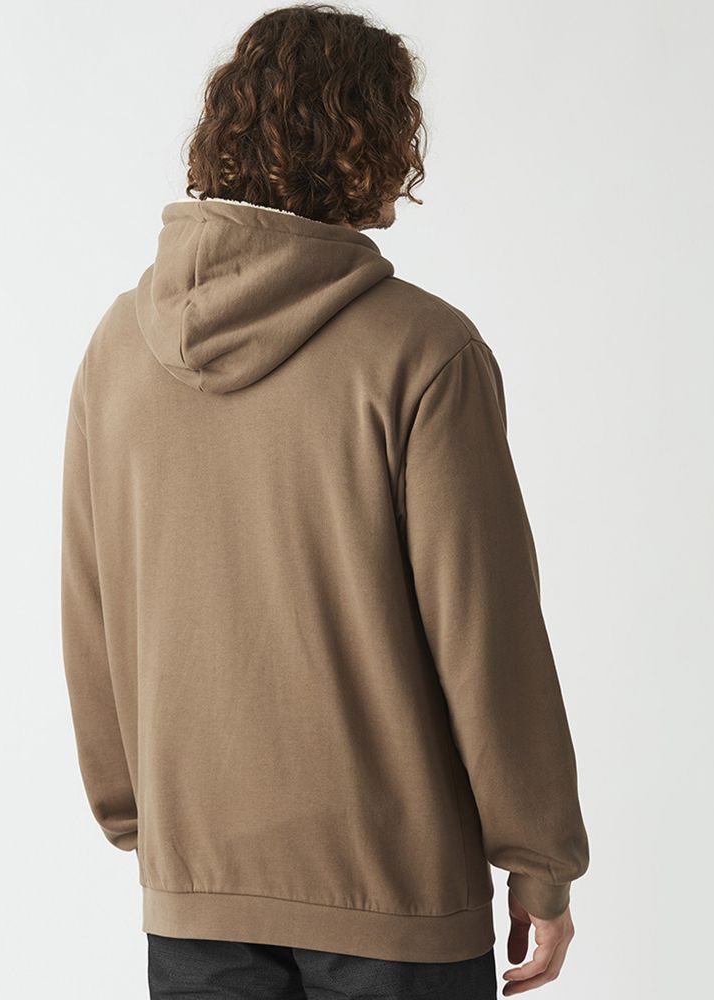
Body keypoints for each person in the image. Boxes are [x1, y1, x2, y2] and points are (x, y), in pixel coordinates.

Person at [60, 5, 589, 998]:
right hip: (394, 894)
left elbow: (92, 606)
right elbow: (487, 631)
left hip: (196, 882)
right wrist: (539, 858)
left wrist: (139, 816)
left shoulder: (117, 349)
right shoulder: (423, 352)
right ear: (377, 143)